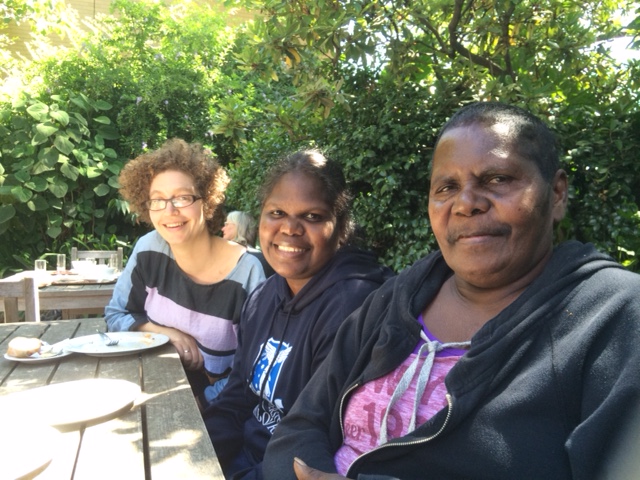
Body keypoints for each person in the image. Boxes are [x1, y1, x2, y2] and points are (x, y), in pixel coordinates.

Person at [262, 102, 640, 480]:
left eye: (497, 179)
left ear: (556, 193)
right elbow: (300, 425)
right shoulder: (397, 298)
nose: (466, 203)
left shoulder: (615, 319)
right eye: (447, 187)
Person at [202, 150, 395, 479]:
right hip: (241, 462)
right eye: (277, 212)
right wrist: (200, 451)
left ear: (341, 226)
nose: (290, 228)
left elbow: (321, 436)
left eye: (313, 216)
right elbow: (237, 396)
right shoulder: (263, 297)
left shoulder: (353, 306)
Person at [105, 138, 266, 397]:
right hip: (150, 384)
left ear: (207, 200)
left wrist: (200, 404)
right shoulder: (149, 249)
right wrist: (164, 334)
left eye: (182, 198)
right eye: (157, 200)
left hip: (218, 408)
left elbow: (256, 370)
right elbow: (116, 315)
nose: (169, 210)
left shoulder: (249, 273)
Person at [223, 210, 276, 278]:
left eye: (227, 224)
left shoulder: (258, 258)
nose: (223, 228)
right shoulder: (262, 257)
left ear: (239, 227)